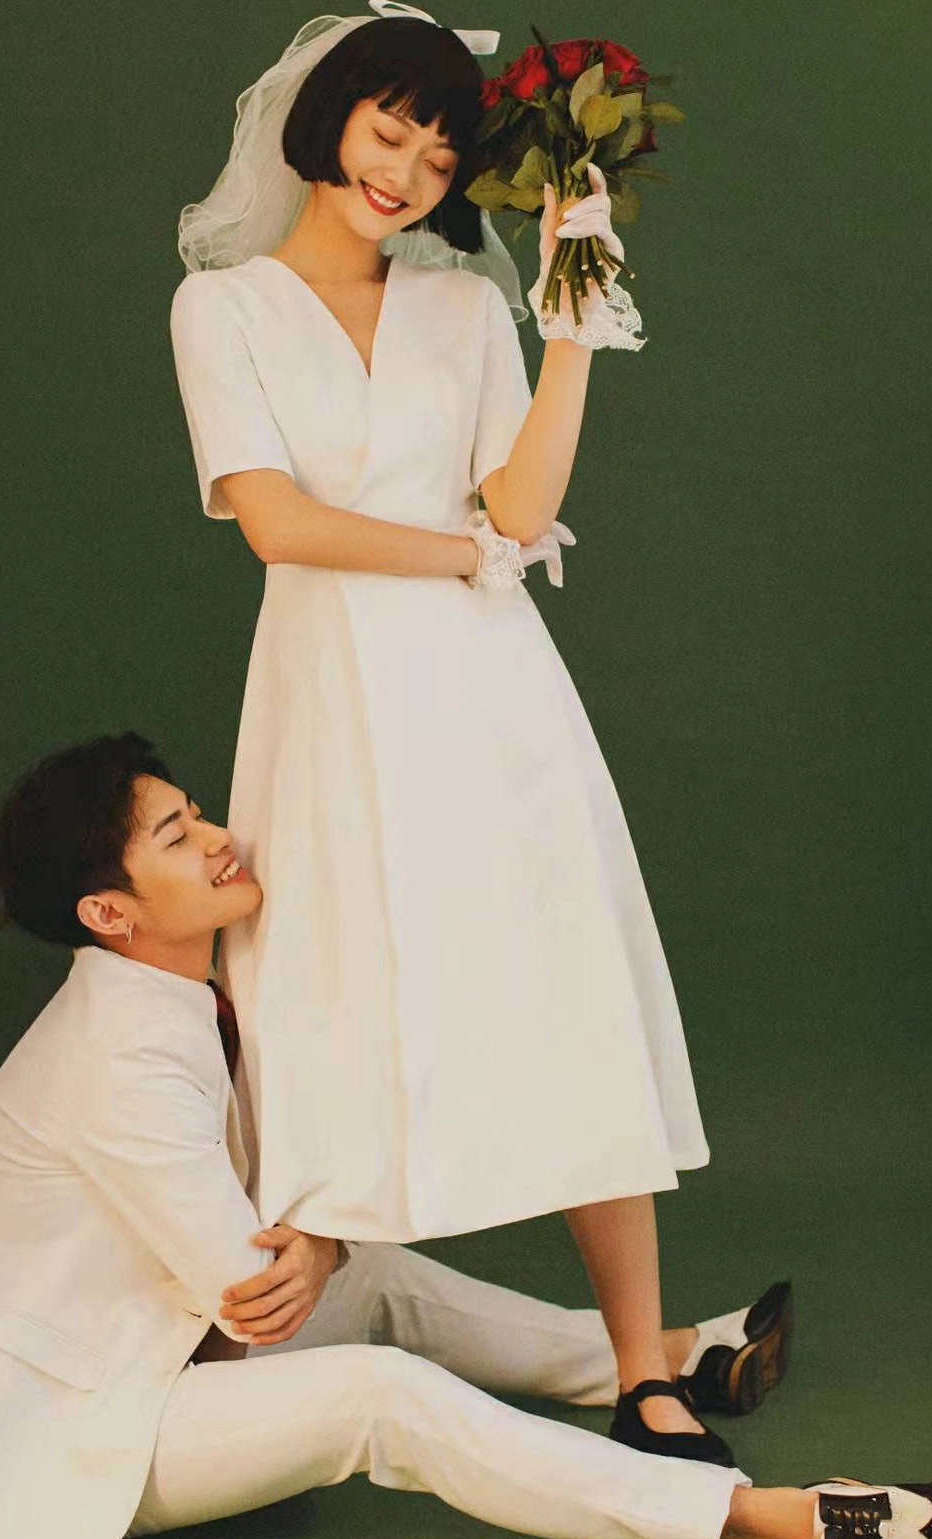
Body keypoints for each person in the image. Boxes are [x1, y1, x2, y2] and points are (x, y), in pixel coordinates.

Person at [0, 734, 932, 1539]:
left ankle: (664, 1359)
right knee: (381, 1396)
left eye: (197, 812)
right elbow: (249, 1300)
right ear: (109, 912)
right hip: (76, 1434)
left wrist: (328, 1244)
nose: (220, 835)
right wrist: (318, 1240)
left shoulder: (175, 992)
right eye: (177, 838)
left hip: (133, 1351)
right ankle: (766, 1518)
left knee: (375, 1280)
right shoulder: (118, 1056)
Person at [169, 2, 727, 1464]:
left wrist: (570, 326)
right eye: (388, 128)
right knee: (319, 982)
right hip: (328, 690)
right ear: (326, 121)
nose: (406, 170)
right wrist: (465, 556)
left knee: (564, 981)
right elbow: (277, 523)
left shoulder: (466, 312)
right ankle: (256, 1318)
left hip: (492, 692)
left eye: (438, 150)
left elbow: (522, 506)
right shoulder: (222, 308)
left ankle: (644, 1369)